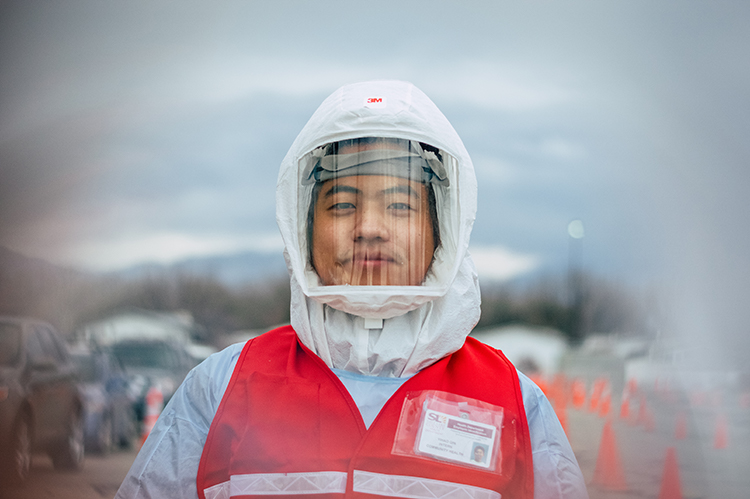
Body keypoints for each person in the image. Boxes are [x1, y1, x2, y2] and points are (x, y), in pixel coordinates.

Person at [115, 80, 588, 499]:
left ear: (442, 229)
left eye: (400, 205)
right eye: (342, 204)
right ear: (303, 226)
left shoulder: (513, 404)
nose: (369, 228)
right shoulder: (221, 390)